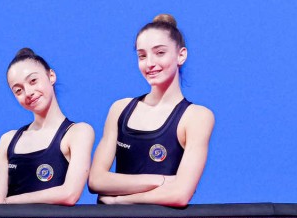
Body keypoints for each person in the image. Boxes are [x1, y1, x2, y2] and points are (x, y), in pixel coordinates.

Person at [88, 14, 214, 207]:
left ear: (181, 55)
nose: (150, 63)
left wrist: (120, 200)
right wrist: (162, 181)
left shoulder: (197, 117)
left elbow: (180, 195)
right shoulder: (120, 109)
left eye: (160, 53)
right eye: (142, 56)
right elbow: (96, 180)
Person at [0, 48, 94, 212]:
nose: (28, 93)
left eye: (33, 81)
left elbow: (70, 194)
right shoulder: (8, 140)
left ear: (51, 76)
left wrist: (10, 201)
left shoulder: (78, 132)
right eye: (18, 90)